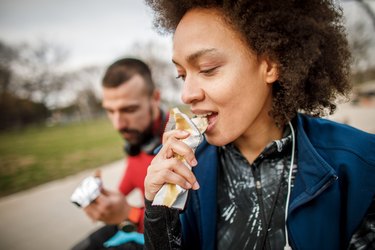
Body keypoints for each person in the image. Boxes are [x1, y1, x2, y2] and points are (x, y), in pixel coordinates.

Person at [142, 1, 375, 249]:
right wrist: (158, 213)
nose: (186, 95)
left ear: (271, 64)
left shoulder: (361, 164)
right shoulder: (179, 172)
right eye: (182, 75)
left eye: (207, 69)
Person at [72, 58, 167, 250]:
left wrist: (128, 213)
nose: (118, 124)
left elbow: (187, 230)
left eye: (129, 109)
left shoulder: (183, 142)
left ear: (155, 98)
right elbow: (128, 185)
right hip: (143, 224)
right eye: (110, 111)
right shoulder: (138, 139)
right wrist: (102, 198)